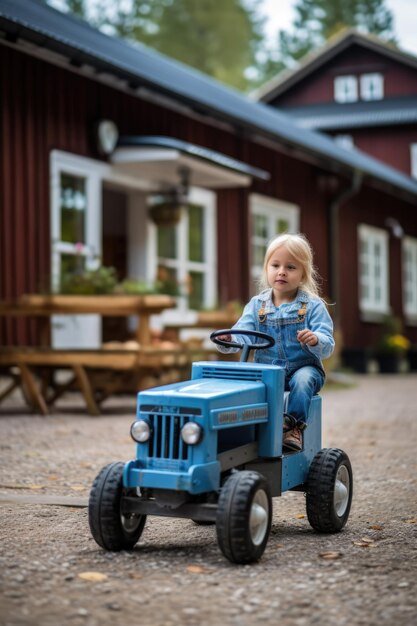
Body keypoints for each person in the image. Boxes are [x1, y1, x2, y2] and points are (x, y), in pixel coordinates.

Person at [216, 233, 334, 452]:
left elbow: (327, 343)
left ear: (303, 275)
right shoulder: (256, 305)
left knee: (303, 380)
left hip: (303, 368)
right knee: (242, 386)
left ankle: (293, 428)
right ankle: (244, 433)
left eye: (290, 267)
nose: (281, 271)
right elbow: (244, 334)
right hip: (267, 371)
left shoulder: (313, 306)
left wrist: (315, 339)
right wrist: (230, 339)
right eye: (275, 265)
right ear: (266, 269)